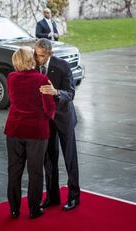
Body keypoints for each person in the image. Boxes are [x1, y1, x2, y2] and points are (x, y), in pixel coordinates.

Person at [5, 46, 56, 219]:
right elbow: (49, 109)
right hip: (36, 131)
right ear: (30, 59)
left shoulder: (11, 77)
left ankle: (14, 209)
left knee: (14, 170)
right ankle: (34, 209)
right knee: (35, 172)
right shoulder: (42, 79)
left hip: (14, 129)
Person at [35, 38, 80, 211]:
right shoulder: (34, 64)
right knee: (49, 160)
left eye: (42, 56)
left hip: (64, 118)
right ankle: (52, 197)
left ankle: (74, 197)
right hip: (46, 119)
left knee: (70, 159)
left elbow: (70, 93)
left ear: (50, 53)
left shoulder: (62, 65)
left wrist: (56, 92)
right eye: (37, 55)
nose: (38, 59)